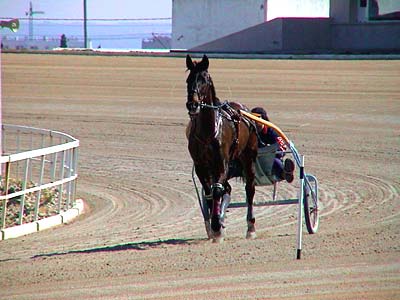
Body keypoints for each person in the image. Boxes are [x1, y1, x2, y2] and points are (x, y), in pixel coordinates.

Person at [251, 107, 295, 183]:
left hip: (268, 162)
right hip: (252, 161)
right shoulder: (249, 132)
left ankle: (284, 174)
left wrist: (269, 152)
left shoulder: (271, 131)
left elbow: (282, 148)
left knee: (275, 162)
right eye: (252, 120)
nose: (254, 122)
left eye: (257, 120)